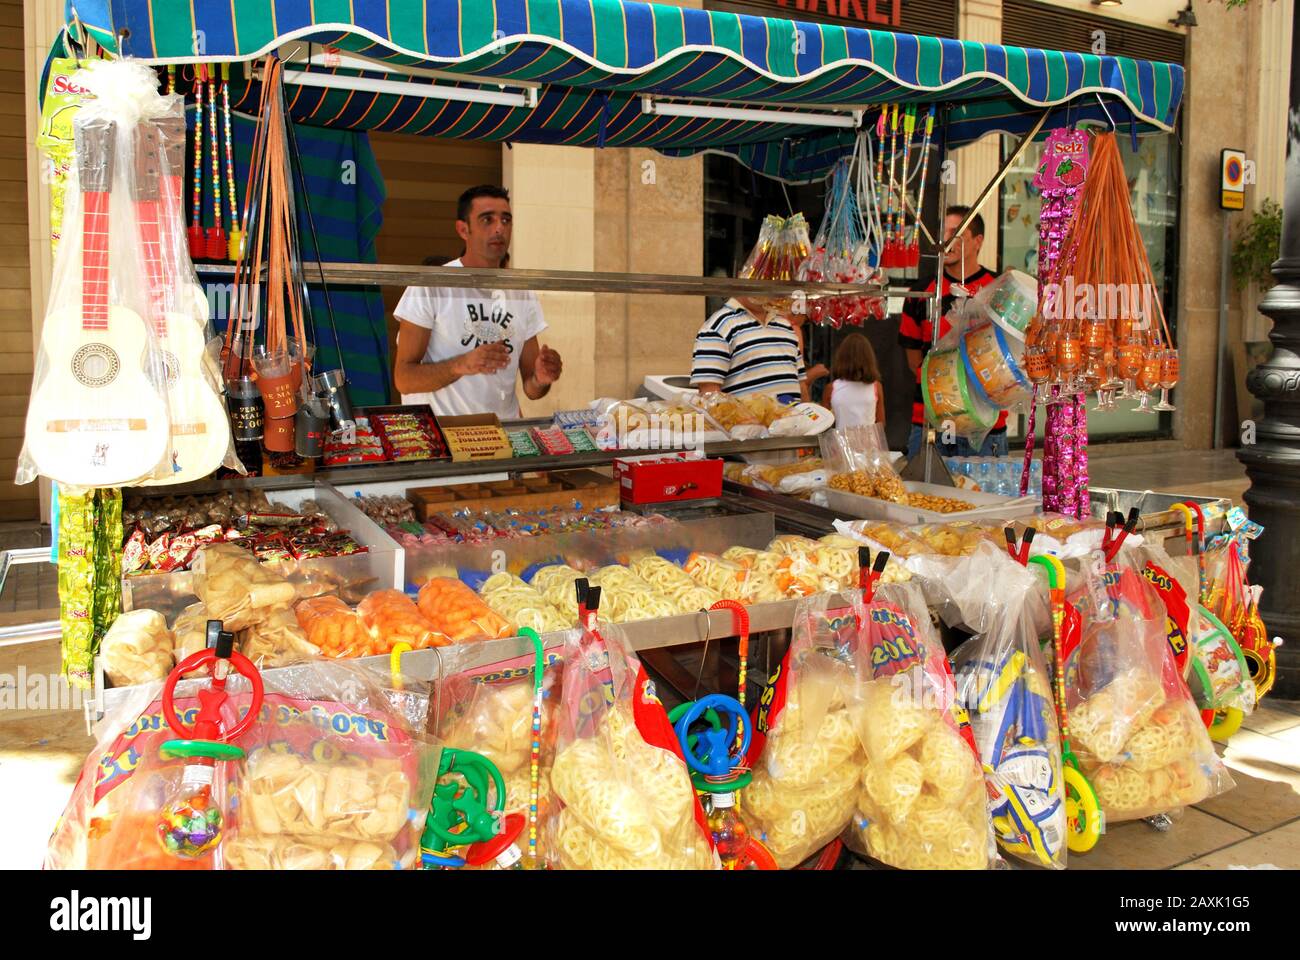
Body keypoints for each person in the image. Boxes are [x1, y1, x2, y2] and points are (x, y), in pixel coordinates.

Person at [392, 185, 563, 418]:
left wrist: (542, 378)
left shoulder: (521, 292)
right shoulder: (431, 285)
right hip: (447, 442)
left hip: (502, 439)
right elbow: (404, 379)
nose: (499, 229)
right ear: (463, 229)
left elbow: (531, 389)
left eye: (506, 220)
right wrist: (460, 365)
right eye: (487, 220)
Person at [898, 205, 1006, 458]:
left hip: (986, 422)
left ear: (977, 241)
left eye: (956, 233)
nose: (947, 241)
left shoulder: (998, 289)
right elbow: (914, 361)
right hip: (930, 419)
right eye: (943, 233)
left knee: (983, 495)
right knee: (925, 495)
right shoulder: (922, 291)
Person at [691, 298, 811, 402]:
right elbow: (708, 392)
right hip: (743, 427)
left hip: (793, 425)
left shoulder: (785, 325)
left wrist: (811, 422)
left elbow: (800, 384)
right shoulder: (718, 325)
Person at [822, 333, 885, 429]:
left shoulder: (831, 388)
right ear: (869, 359)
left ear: (842, 357)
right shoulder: (876, 387)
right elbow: (881, 423)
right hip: (870, 443)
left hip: (841, 442)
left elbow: (824, 425)